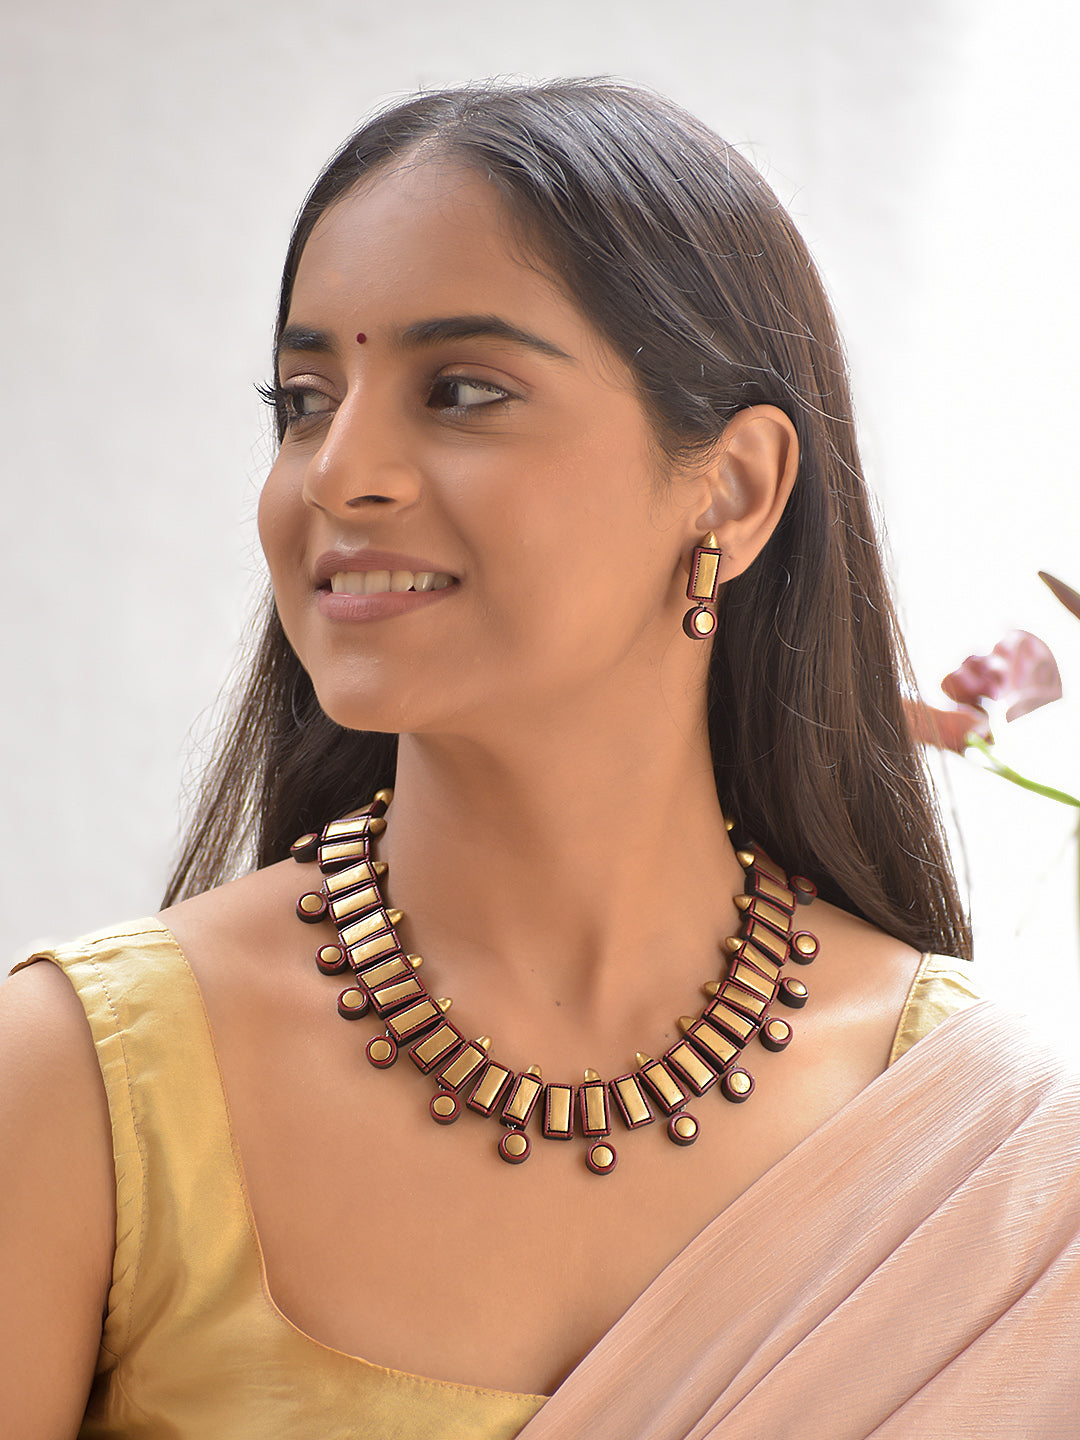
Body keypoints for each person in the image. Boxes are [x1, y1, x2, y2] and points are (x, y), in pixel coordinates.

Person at [2, 79, 1077, 1440]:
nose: (340, 471)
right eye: (302, 398)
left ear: (734, 490)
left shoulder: (1007, 1159)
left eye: (461, 391)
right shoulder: (83, 1086)